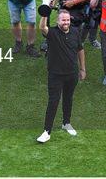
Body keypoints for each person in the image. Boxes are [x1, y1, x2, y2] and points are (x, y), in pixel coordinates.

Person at [37, 9, 86, 143]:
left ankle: (66, 123)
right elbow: (42, 27)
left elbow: (80, 50)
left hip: (72, 74)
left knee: (68, 98)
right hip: (55, 75)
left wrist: (82, 69)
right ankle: (47, 131)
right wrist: (45, 11)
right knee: (53, 101)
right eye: (63, 20)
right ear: (58, 21)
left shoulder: (75, 32)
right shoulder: (52, 33)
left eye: (68, 20)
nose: (66, 22)